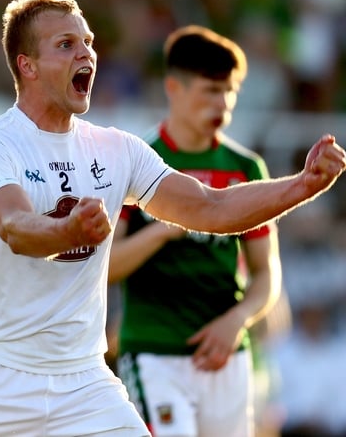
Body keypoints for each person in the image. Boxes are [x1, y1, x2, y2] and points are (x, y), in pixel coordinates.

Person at [0, 0, 346, 436]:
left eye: (89, 42)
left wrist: (302, 185)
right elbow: (15, 227)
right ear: (28, 66)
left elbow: (211, 207)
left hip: (83, 383)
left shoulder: (116, 149)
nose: (86, 53)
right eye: (66, 45)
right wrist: (68, 231)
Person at [107, 25, 282, 437]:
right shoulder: (136, 162)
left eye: (229, 91)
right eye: (210, 90)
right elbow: (106, 266)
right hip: (154, 352)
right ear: (174, 88)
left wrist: (237, 320)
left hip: (227, 355)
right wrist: (163, 231)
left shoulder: (246, 169)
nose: (221, 103)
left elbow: (266, 273)